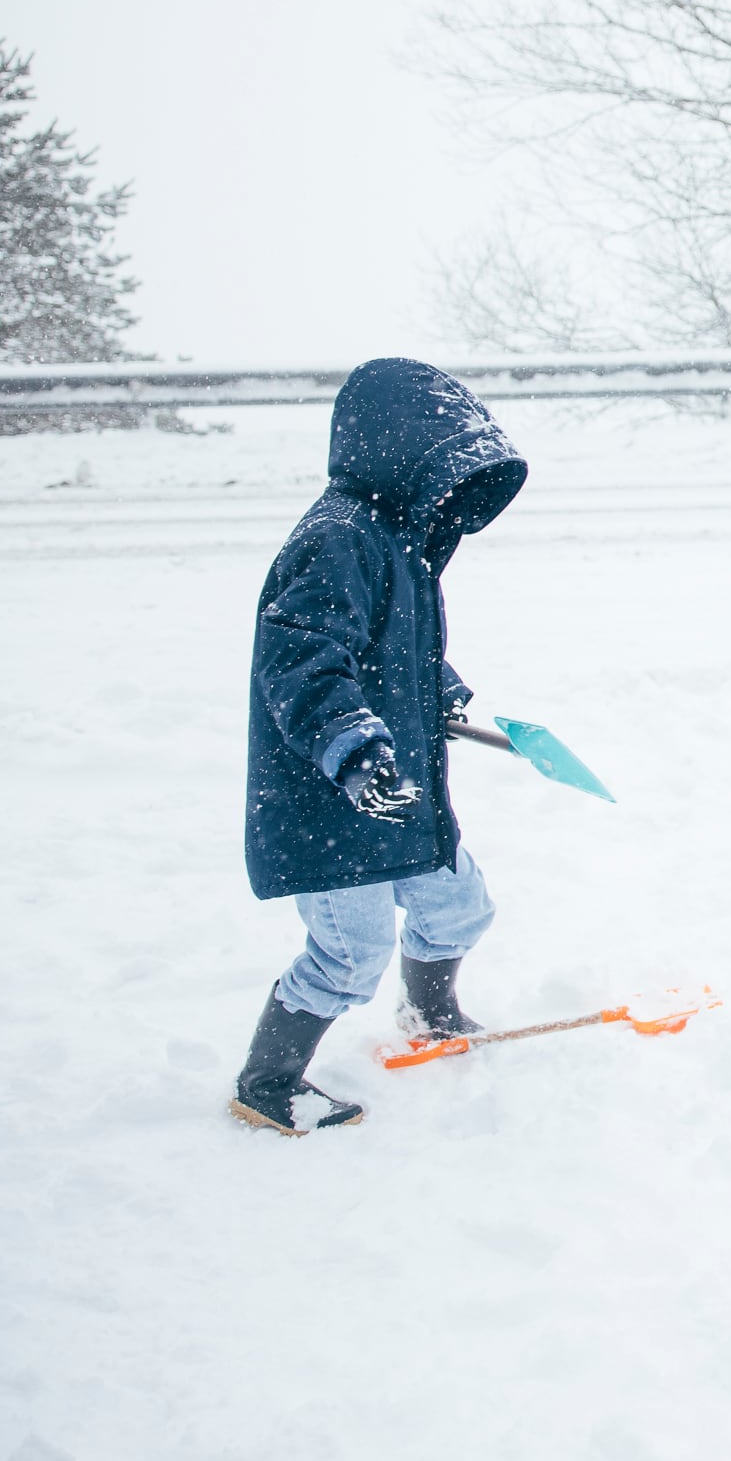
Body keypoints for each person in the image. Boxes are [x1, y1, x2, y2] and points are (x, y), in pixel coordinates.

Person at [228, 358, 529, 1133]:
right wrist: (353, 746)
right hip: (335, 796)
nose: (454, 497)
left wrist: (441, 691)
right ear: (399, 456)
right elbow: (302, 655)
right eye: (446, 473)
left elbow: (396, 648)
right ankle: (266, 1082)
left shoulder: (402, 539)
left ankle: (429, 1012)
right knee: (346, 954)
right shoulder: (336, 538)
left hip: (399, 790)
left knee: (460, 905)